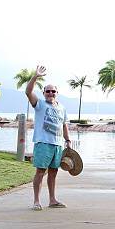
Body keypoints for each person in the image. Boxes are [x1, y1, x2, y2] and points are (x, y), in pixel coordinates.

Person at [25, 65, 71, 210]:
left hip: (57, 144)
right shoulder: (39, 104)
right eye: (48, 91)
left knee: (53, 172)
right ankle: (36, 201)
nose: (51, 93)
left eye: (53, 91)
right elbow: (28, 91)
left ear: (57, 93)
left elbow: (64, 125)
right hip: (43, 143)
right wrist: (35, 76)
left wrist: (68, 140)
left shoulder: (62, 108)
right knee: (40, 171)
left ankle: (52, 200)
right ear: (44, 93)